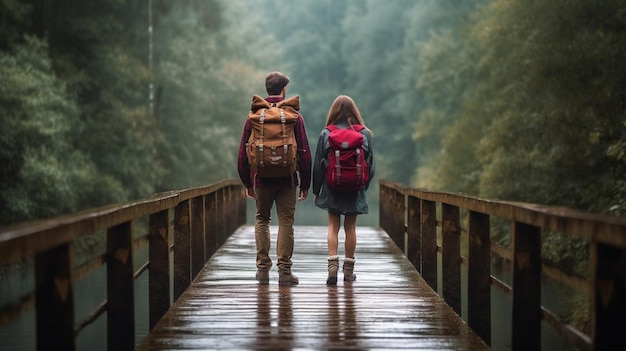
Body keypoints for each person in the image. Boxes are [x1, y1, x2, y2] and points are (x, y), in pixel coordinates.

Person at [237, 71, 312, 286]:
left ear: (267, 89)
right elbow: (305, 151)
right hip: (287, 179)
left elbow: (243, 153)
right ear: (284, 89)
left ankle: (262, 271)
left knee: (262, 219)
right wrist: (305, 183)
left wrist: (247, 182)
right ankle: (285, 272)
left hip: (260, 178)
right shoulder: (293, 116)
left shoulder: (254, 116)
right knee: (286, 222)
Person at [312, 95, 375, 285]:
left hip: (333, 185)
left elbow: (317, 165)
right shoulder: (364, 134)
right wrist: (363, 186)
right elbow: (370, 166)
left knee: (333, 226)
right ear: (355, 111)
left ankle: (332, 268)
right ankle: (348, 272)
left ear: (334, 111)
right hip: (355, 187)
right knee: (350, 227)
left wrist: (317, 190)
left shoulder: (326, 133)